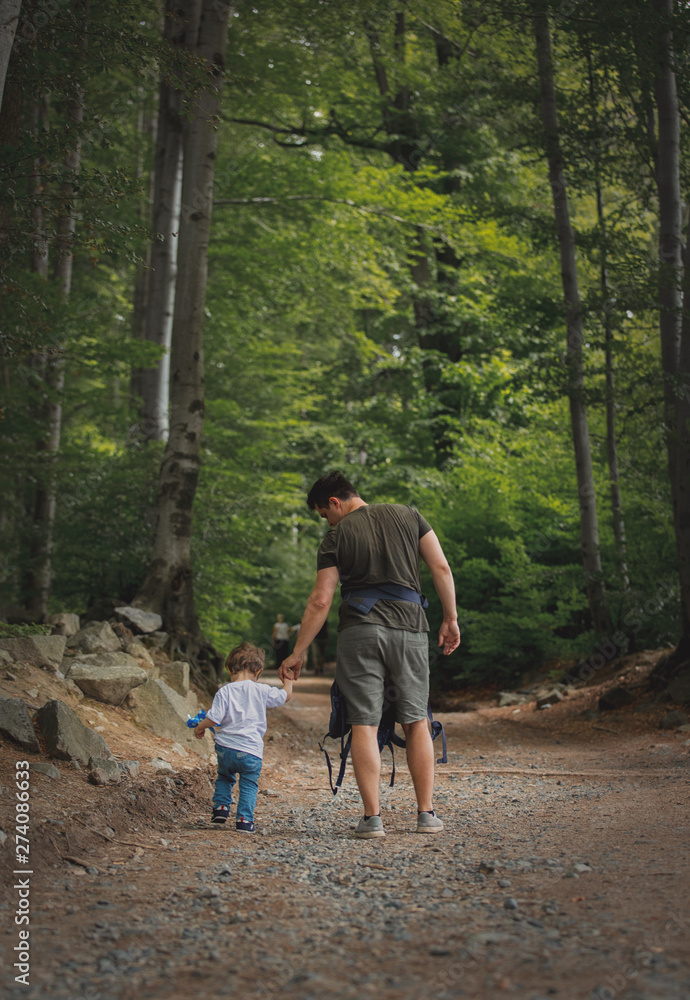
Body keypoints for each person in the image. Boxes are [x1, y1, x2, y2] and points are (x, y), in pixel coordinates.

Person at [278, 471, 460, 839]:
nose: (326, 522)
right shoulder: (410, 516)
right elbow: (441, 567)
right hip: (410, 628)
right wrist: (451, 618)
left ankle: (372, 819)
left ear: (334, 502)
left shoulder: (336, 536)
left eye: (323, 514)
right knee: (415, 719)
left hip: (359, 632)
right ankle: (426, 814)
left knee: (364, 722)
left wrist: (298, 652)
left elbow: (321, 600)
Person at [195, 641, 292, 833]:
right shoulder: (262, 690)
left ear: (230, 669)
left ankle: (221, 810)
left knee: (224, 777)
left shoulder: (224, 690)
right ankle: (244, 821)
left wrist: (200, 727)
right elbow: (284, 696)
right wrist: (288, 678)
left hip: (225, 749)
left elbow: (213, 718)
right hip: (250, 751)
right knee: (248, 784)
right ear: (258, 672)